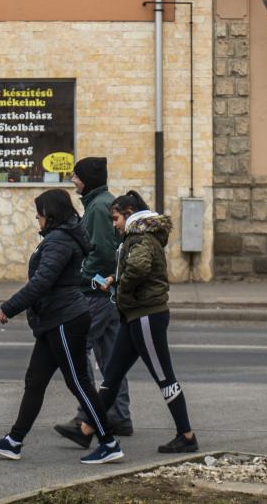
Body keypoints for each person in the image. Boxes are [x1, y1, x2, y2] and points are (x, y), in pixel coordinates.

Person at [0, 189, 125, 465]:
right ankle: (14, 441)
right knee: (35, 381)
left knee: (79, 383)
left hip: (64, 320)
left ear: (50, 214)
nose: (36, 218)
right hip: (54, 320)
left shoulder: (58, 240)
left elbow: (42, 282)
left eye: (39, 213)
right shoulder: (60, 237)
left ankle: (109, 443)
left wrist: (9, 307)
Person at [61, 191, 198, 454]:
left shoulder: (141, 237)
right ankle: (87, 429)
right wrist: (116, 279)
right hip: (133, 316)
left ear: (129, 214)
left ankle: (187, 435)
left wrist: (120, 283)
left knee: (163, 376)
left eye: (115, 218)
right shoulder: (136, 238)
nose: (114, 224)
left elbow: (139, 268)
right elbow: (133, 267)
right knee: (111, 374)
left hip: (147, 314)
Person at [56, 156, 132, 441]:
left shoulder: (99, 207)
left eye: (76, 176)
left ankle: (86, 415)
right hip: (109, 294)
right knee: (111, 358)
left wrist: (79, 275)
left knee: (76, 349)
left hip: (97, 293)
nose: (73, 181)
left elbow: (99, 254)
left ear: (86, 179)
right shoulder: (100, 204)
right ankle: (118, 416)